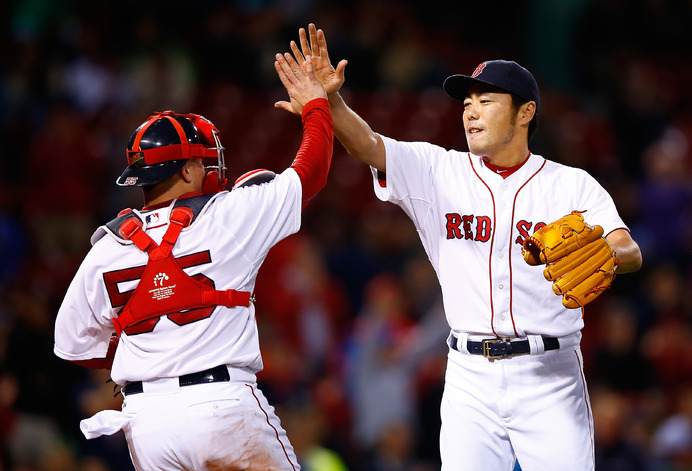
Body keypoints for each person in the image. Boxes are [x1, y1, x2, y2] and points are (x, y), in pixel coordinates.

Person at [276, 24, 643, 470]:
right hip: (470, 376)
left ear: (525, 113)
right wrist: (331, 100)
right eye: (467, 103)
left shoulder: (571, 185)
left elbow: (628, 250)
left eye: (486, 101)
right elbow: (367, 144)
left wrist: (607, 254)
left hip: (549, 375)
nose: (471, 112)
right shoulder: (439, 170)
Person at [54, 54, 332, 470]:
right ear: (186, 171)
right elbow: (309, 173)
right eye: (202, 160)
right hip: (222, 404)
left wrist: (154, 347)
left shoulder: (105, 247)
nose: (210, 168)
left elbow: (74, 346)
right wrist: (316, 106)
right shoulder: (229, 213)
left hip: (147, 422)